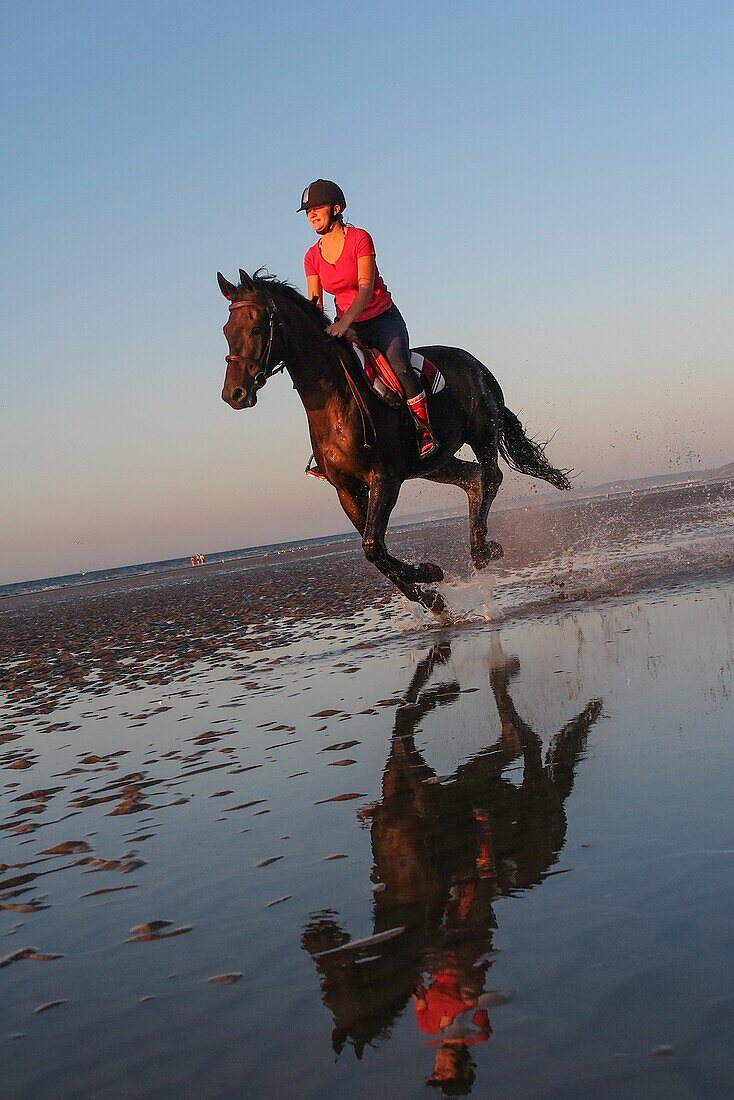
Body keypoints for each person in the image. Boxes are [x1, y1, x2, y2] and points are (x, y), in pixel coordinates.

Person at [298, 179, 438, 475]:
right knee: (331, 377)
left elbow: (365, 286)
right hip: (346, 328)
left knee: (399, 365)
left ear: (336, 209)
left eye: (316, 208)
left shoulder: (360, 238)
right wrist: (320, 330)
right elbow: (316, 302)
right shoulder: (311, 256)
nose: (311, 214)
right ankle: (328, 451)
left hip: (381, 319)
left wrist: (346, 322)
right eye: (307, 211)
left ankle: (424, 430)